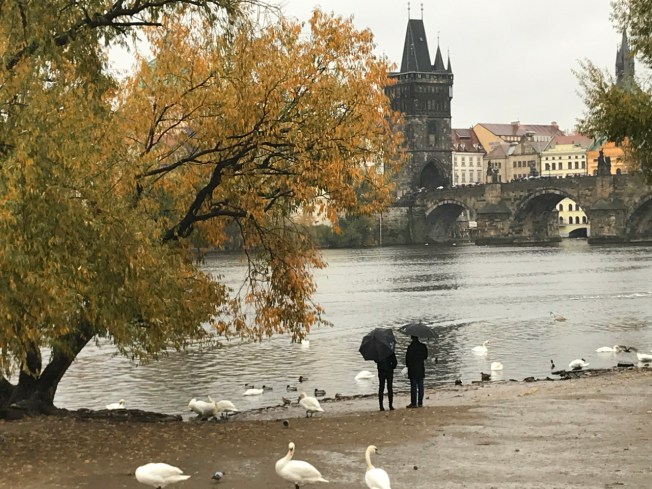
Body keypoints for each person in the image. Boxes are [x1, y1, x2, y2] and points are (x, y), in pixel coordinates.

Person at [405, 335, 428, 408]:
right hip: (420, 368)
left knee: (413, 386)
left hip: (412, 369)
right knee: (421, 385)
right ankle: (420, 402)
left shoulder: (410, 347)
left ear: (412, 338)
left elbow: (407, 359)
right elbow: (425, 356)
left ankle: (414, 403)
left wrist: (408, 366)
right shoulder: (423, 346)